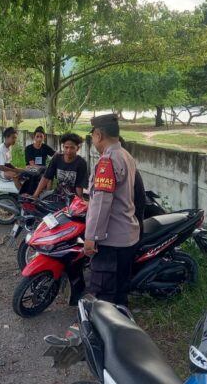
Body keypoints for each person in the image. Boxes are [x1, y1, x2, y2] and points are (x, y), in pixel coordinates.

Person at [84, 114, 140, 306]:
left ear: (98, 135)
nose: (93, 139)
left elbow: (101, 203)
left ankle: (104, 335)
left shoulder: (107, 161)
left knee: (103, 299)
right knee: (120, 295)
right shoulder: (126, 155)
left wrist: (91, 236)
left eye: (93, 135)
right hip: (126, 239)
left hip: (110, 242)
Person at [31, 132, 89, 199]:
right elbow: (46, 178)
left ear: (77, 148)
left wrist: (79, 201)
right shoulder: (56, 158)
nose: (68, 151)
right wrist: (35, 195)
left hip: (73, 197)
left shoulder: (81, 162)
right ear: (63, 147)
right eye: (66, 147)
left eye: (72, 148)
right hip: (58, 194)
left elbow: (79, 186)